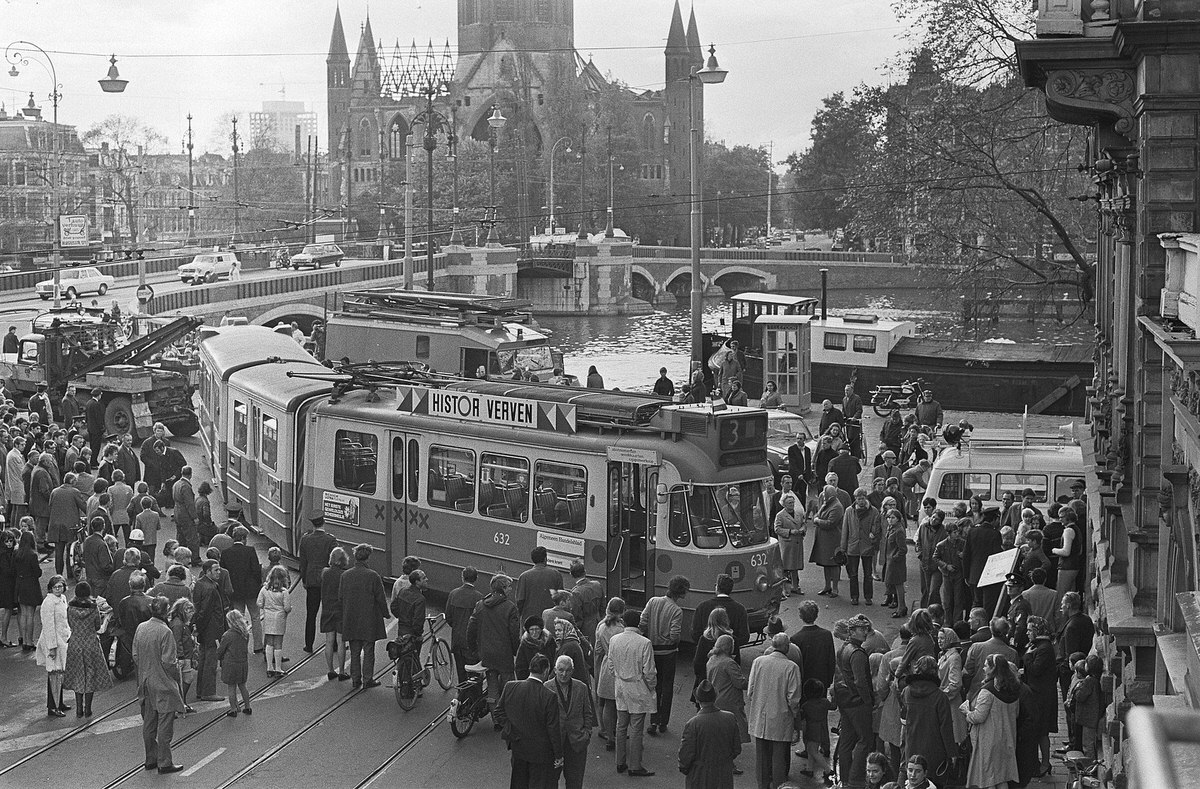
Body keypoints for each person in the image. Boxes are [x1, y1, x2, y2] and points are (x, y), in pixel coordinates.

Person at [133, 595, 186, 773]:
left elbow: (135, 655)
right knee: (165, 725)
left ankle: (151, 759)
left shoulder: (141, 628)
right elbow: (169, 662)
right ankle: (164, 762)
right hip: (162, 684)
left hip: (145, 682)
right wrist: (176, 678)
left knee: (149, 724)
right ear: (166, 611)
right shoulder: (165, 632)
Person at [495, 653, 563, 789]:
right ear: (545, 671)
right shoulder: (549, 696)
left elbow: (498, 712)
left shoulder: (510, 687)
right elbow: (553, 728)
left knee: (519, 784)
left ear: (530, 668)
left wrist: (512, 730)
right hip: (541, 754)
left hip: (518, 749)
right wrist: (558, 755)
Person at [746, 632, 802, 789]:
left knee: (762, 757)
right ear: (786, 647)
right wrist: (795, 716)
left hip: (760, 716)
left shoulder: (758, 662)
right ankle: (779, 786)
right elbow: (794, 698)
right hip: (781, 717)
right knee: (778, 757)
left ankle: (762, 785)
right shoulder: (791, 667)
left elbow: (750, 691)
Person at [960, 653, 1020, 789]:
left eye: (986, 666)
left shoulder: (987, 691)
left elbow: (978, 717)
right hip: (1007, 738)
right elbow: (1016, 714)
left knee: (989, 779)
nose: (983, 669)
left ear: (993, 669)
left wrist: (966, 712)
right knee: (1002, 778)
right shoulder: (1013, 688)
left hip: (989, 740)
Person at [609, 608, 657, 777]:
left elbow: (610, 665)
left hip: (620, 685)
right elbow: (649, 671)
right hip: (637, 686)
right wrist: (651, 687)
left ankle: (619, 762)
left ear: (623, 622)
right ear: (639, 623)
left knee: (621, 726)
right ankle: (635, 765)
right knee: (636, 728)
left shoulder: (614, 640)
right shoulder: (644, 643)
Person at [468, 573, 522, 718]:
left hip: (486, 654)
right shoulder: (510, 608)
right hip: (504, 655)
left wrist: (474, 649)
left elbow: (471, 628)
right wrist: (516, 651)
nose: (511, 589)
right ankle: (509, 717)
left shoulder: (480, 605)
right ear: (503, 588)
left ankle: (496, 718)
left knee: (492, 685)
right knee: (508, 686)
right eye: (509, 587)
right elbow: (513, 633)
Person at [640, 574, 688, 735]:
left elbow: (643, 622)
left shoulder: (653, 601)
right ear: (680, 592)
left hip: (652, 651)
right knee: (667, 687)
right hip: (668, 653)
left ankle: (653, 720)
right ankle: (663, 722)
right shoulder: (676, 610)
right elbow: (674, 635)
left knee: (654, 686)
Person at [339, 543, 389, 689]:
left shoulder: (345, 575)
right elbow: (380, 598)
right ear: (368, 558)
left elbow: (340, 597)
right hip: (369, 619)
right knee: (368, 651)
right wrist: (386, 614)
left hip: (352, 619)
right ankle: (368, 679)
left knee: (354, 651)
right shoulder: (373, 576)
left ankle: (356, 679)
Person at [834, 614, 875, 788]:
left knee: (846, 740)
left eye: (866, 629)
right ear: (852, 631)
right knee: (865, 740)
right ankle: (856, 779)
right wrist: (868, 701)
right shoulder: (857, 653)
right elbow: (861, 682)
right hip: (857, 703)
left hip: (845, 701)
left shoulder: (844, 648)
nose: (865, 632)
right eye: (861, 629)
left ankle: (845, 779)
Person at [679, 678, 742, 789]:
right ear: (715, 697)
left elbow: (686, 754)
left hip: (699, 775)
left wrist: (684, 767)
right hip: (723, 774)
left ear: (698, 700)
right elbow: (736, 748)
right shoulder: (730, 718)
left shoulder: (693, 724)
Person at [899, 654, 955, 778]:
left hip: (911, 747)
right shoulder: (940, 697)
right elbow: (946, 728)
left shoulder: (906, 692)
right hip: (935, 751)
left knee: (912, 780)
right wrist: (952, 753)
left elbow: (903, 722)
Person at [545, 654, 595, 789]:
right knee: (550, 781)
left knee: (575, 782)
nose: (564, 674)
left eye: (567, 670)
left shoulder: (582, 687)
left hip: (577, 742)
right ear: (555, 670)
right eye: (560, 670)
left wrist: (587, 734)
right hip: (554, 743)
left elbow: (588, 713)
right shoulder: (546, 688)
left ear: (572, 671)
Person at [63, 579, 112, 716]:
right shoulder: (93, 607)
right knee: (91, 674)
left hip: (75, 643)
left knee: (78, 674)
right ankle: (88, 709)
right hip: (90, 643)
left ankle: (78, 709)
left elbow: (70, 624)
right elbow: (97, 626)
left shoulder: (70, 608)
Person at [297, 516, 337, 655]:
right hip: (326, 581)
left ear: (313, 524)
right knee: (330, 611)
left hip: (312, 579)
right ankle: (335, 644)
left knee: (311, 614)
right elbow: (334, 561)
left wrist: (304, 579)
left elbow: (303, 562)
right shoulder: (331, 540)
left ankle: (309, 644)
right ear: (323, 522)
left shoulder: (305, 539)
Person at [221, 526, 263, 654]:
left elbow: (224, 573)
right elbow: (256, 570)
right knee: (255, 617)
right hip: (251, 591)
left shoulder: (226, 553)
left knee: (238, 618)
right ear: (244, 538)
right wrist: (257, 584)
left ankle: (240, 645)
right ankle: (258, 646)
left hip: (236, 591)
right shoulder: (250, 551)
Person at [190, 560, 228, 701]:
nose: (219, 572)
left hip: (206, 629)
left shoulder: (200, 584)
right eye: (216, 570)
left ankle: (201, 690)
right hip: (212, 629)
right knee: (211, 662)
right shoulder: (211, 588)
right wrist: (200, 627)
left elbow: (199, 609)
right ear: (208, 572)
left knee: (204, 660)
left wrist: (198, 627)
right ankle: (208, 692)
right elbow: (205, 612)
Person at [36, 574, 71, 717]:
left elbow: (65, 620)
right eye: (55, 587)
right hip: (53, 642)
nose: (58, 589)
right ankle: (53, 706)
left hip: (62, 641)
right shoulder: (48, 603)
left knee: (60, 674)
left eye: (60, 586)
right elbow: (48, 626)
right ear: (50, 588)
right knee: (54, 674)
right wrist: (52, 647)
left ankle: (59, 702)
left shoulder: (62, 599)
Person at [594, 596, 626, 749]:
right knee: (619, 705)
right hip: (620, 667)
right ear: (621, 612)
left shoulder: (601, 627)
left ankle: (609, 736)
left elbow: (598, 650)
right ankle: (618, 732)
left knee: (607, 704)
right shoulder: (621, 629)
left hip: (606, 666)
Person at [841, 487, 880, 606]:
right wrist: (843, 548)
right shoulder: (849, 511)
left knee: (868, 574)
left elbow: (876, 526)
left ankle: (868, 597)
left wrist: (873, 534)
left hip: (867, 545)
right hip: (853, 546)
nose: (861, 501)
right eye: (859, 499)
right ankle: (854, 596)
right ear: (855, 499)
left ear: (866, 498)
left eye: (863, 498)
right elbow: (845, 529)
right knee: (853, 574)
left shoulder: (873, 511)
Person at [446, 566, 485, 685]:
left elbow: (449, 617)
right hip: (472, 643)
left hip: (457, 640)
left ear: (462, 578)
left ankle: (462, 699)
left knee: (461, 674)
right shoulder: (479, 597)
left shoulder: (453, 594)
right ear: (476, 578)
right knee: (474, 676)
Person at [692, 573, 750, 651]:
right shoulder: (740, 609)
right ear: (731, 589)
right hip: (730, 653)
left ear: (716, 587)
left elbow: (695, 634)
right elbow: (744, 637)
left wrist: (705, 643)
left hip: (706, 652)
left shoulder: (702, 607)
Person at [963, 617, 1017, 700]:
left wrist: (966, 691)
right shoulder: (1012, 653)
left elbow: (967, 673)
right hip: (1001, 698)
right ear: (1006, 632)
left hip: (976, 695)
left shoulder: (976, 647)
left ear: (991, 630)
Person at [962, 507, 1004, 614]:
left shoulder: (972, 531)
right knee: (988, 606)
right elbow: (997, 557)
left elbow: (966, 555)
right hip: (989, 577)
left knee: (976, 603)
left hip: (974, 576)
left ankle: (973, 626)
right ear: (995, 519)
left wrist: (966, 575)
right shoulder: (995, 534)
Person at [1056, 592, 1095, 700]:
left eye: (1062, 604)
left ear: (1068, 605)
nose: (1061, 607)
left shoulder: (1071, 627)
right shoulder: (1086, 619)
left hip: (1070, 671)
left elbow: (1071, 653)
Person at [320, 547, 350, 681]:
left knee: (329, 641)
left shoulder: (325, 573)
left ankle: (330, 670)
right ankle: (342, 671)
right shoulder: (344, 575)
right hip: (340, 610)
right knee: (341, 642)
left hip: (327, 609)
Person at [257, 564, 292, 678]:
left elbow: (259, 603)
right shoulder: (284, 592)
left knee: (269, 643)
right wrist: (289, 609)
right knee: (278, 643)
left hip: (268, 617)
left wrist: (267, 607)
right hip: (280, 618)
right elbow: (287, 607)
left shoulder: (264, 589)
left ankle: (269, 668)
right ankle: (278, 668)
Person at [50, 476, 87, 578]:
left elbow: (50, 505)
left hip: (56, 525)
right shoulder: (74, 492)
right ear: (73, 481)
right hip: (70, 525)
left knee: (58, 551)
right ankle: (70, 573)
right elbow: (83, 506)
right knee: (70, 547)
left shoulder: (55, 491)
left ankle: (58, 574)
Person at [218, 609, 252, 717]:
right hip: (242, 663)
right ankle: (247, 707)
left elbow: (221, 650)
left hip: (230, 664)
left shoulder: (227, 635)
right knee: (243, 686)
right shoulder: (245, 633)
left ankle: (233, 709)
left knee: (231, 687)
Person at [516, 546, 564, 623]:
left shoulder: (524, 576)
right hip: (551, 619)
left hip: (529, 620)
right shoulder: (556, 574)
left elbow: (520, 600)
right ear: (545, 559)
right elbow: (560, 598)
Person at [166, 598, 197, 714]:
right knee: (187, 679)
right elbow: (176, 641)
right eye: (189, 611)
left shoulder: (180, 623)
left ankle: (181, 702)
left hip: (186, 655)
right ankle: (180, 702)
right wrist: (180, 657)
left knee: (186, 679)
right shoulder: (178, 624)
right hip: (183, 657)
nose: (191, 614)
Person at [774, 486, 805, 596]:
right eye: (789, 503)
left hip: (797, 543)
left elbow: (803, 524)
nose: (791, 505)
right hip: (787, 544)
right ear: (784, 504)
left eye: (792, 503)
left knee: (795, 567)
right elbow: (777, 529)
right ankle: (784, 589)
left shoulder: (798, 514)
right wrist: (790, 532)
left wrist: (802, 529)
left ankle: (795, 586)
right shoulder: (780, 515)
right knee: (785, 567)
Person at [566, 559, 603, 645]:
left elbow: (577, 616)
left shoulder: (576, 592)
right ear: (585, 572)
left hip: (585, 629)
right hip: (599, 622)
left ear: (571, 575)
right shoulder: (597, 584)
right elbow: (603, 606)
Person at [171, 467, 199, 560]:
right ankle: (195, 559)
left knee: (180, 537)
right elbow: (189, 504)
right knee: (192, 538)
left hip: (177, 513)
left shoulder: (176, 484)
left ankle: (180, 557)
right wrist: (194, 517)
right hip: (185, 515)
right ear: (190, 474)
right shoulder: (186, 486)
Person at [84, 389, 105, 463]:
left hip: (90, 428)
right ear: (98, 395)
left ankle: (93, 461)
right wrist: (101, 427)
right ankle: (93, 462)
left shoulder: (88, 403)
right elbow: (98, 417)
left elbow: (86, 416)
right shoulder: (96, 404)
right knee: (96, 447)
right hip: (96, 429)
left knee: (92, 445)